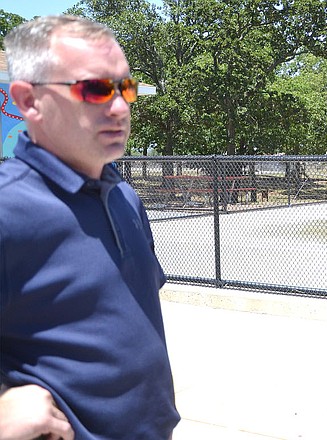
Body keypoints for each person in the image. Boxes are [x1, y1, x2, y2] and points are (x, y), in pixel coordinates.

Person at [0, 15, 180, 439]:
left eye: (126, 88)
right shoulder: (9, 209)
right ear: (28, 101)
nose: (120, 107)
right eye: (96, 89)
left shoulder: (124, 197)